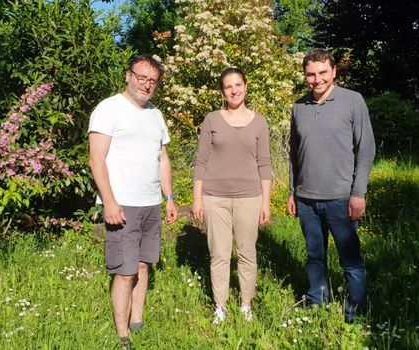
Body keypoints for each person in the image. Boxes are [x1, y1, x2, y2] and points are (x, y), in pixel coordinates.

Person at [88, 54, 178, 349]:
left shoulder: (155, 114)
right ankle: (122, 334)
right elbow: (96, 159)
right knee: (124, 272)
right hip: (122, 204)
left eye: (153, 80)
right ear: (128, 75)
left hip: (151, 204)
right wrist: (110, 202)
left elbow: (162, 158)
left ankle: (137, 321)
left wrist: (169, 198)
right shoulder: (108, 109)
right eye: (142, 77)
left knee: (143, 265)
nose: (147, 84)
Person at [287, 49, 375, 323]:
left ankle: (356, 309)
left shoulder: (352, 101)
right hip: (306, 200)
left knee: (350, 260)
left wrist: (358, 193)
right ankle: (317, 301)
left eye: (323, 72)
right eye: (311, 74)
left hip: (341, 198)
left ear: (334, 71)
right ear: (305, 76)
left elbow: (366, 149)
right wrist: (292, 191)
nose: (317, 79)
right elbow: (294, 153)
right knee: (314, 256)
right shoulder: (299, 107)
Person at [192, 67, 272, 325]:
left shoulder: (259, 121)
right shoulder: (212, 120)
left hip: (250, 197)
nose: (234, 90)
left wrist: (266, 202)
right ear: (222, 91)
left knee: (247, 253)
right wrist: (197, 198)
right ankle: (220, 307)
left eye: (238, 84)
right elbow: (201, 161)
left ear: (246, 87)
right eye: (228, 86)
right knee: (219, 254)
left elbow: (265, 163)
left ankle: (245, 305)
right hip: (215, 198)